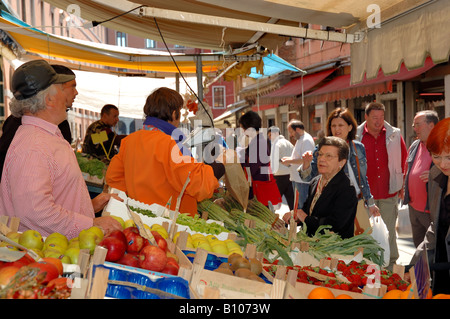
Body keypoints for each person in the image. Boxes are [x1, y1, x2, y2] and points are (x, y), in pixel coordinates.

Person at [0, 60, 122, 239]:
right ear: (49, 99)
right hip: (45, 255)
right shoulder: (34, 147)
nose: (71, 94)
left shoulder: (47, 136)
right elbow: (35, 212)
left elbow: (53, 197)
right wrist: (90, 223)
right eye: (60, 88)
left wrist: (90, 206)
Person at [105, 87, 223, 217]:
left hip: (137, 217)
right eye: (179, 111)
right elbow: (196, 183)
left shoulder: (129, 141)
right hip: (170, 223)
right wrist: (221, 164)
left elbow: (113, 179)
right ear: (173, 114)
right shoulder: (171, 144)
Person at [0, 64, 78, 180]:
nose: (76, 92)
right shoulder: (33, 145)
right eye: (72, 87)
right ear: (49, 94)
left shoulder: (16, 121)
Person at [300, 108, 380, 217]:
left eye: (340, 125)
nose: (337, 129)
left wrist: (370, 203)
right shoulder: (321, 149)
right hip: (332, 205)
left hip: (357, 203)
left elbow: (362, 178)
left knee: (360, 233)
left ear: (350, 127)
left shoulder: (358, 148)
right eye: (333, 126)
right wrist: (306, 164)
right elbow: (309, 178)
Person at [356, 102, 407, 269]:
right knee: (365, 233)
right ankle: (369, 267)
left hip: (388, 192)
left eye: (381, 118)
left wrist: (402, 185)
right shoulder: (356, 135)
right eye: (374, 118)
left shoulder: (394, 134)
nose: (378, 122)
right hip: (364, 196)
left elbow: (403, 160)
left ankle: (391, 266)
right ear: (366, 117)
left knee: (389, 233)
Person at [283, 136, 358, 239]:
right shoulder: (315, 181)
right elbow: (307, 211)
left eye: (328, 156)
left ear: (342, 162)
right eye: (320, 154)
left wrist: (304, 218)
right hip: (312, 244)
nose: (321, 159)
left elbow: (334, 225)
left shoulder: (346, 188)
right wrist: (295, 216)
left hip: (334, 248)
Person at [410, 117, 450, 295]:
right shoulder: (436, 176)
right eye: (436, 156)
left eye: (449, 156)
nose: (443, 164)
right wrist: (416, 263)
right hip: (441, 266)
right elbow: (434, 226)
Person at [402, 110, 439, 247]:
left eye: (418, 125)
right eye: (414, 125)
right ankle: (419, 269)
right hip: (413, 207)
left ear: (431, 125)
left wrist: (435, 174)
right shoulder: (415, 145)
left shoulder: (442, 145)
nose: (415, 128)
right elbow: (408, 168)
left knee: (433, 248)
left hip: (430, 210)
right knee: (418, 247)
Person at [238, 111, 280, 206]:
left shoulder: (256, 143)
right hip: (261, 183)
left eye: (243, 128)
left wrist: (241, 160)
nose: (243, 131)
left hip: (259, 186)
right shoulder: (260, 140)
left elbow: (252, 168)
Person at [281, 120, 315, 210]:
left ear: (298, 129)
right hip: (297, 179)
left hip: (302, 180)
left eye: (291, 132)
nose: (291, 135)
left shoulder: (306, 140)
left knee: (302, 207)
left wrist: (289, 161)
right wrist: (289, 160)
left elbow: (306, 160)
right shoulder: (301, 139)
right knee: (298, 206)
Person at [268, 126, 295, 210]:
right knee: (291, 201)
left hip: (279, 175)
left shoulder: (276, 144)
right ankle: (293, 220)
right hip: (290, 175)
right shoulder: (289, 143)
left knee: (274, 201)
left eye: (270, 135)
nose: (269, 138)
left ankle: (274, 221)